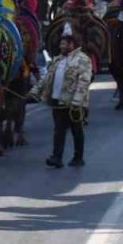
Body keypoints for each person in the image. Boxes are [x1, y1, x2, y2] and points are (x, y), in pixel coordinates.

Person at [34, 34, 93, 169]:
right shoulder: (57, 60)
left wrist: (77, 101)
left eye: (64, 44)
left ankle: (78, 157)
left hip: (74, 104)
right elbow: (47, 78)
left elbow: (84, 81)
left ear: (72, 45)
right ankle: (57, 157)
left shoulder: (83, 60)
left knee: (76, 130)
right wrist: (35, 91)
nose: (61, 46)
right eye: (61, 44)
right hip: (57, 101)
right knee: (58, 130)